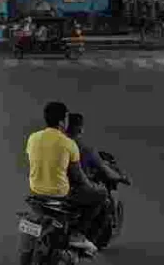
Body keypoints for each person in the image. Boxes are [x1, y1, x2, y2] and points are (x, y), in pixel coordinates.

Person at [26, 102, 105, 252]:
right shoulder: (69, 144)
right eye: (67, 117)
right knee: (100, 195)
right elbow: (79, 177)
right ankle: (78, 234)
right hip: (59, 196)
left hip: (35, 192)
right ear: (62, 122)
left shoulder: (33, 138)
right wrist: (93, 187)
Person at [65, 113, 125, 185]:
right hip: (79, 189)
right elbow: (107, 172)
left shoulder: (56, 146)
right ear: (81, 130)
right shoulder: (87, 150)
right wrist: (121, 177)